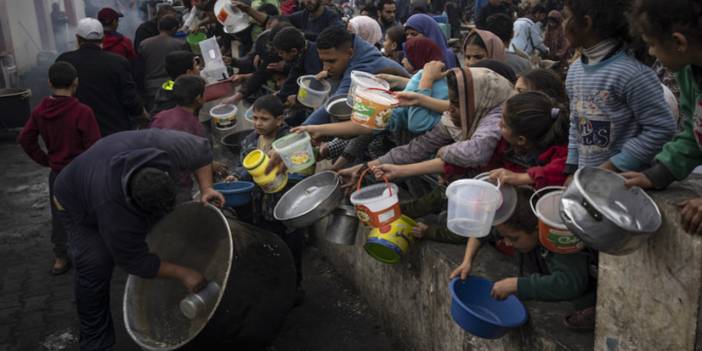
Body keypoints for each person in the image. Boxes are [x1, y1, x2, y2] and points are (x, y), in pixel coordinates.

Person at [52, 129, 224, 350]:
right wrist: (184, 273)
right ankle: (95, 341)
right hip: (73, 197)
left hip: (102, 169)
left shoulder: (165, 146)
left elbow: (201, 153)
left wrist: (206, 188)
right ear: (131, 203)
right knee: (95, 262)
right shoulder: (113, 210)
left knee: (164, 230)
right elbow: (133, 261)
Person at [339, 67, 513, 184]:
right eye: (449, 101)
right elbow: (416, 149)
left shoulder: (498, 116)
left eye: (456, 104)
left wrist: (443, 151)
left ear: (477, 101)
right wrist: (366, 167)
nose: (449, 108)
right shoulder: (465, 114)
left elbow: (475, 152)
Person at [561, 0, 676, 177]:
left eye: (566, 17)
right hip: (589, 179)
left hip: (624, 183)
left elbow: (661, 129)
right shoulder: (575, 70)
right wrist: (572, 167)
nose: (563, 24)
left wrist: (614, 166)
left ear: (586, 23)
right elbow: (576, 122)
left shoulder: (632, 74)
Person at [449, 188, 594, 324]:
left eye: (514, 238)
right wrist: (467, 261)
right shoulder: (513, 227)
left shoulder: (559, 239)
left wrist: (517, 285)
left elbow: (569, 284)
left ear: (537, 229)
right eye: (505, 237)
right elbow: (480, 234)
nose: (507, 242)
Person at [622, 0, 702, 235]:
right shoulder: (689, 74)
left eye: (652, 44)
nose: (650, 52)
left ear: (678, 42)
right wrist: (658, 174)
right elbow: (694, 132)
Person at [17, 62, 101, 275]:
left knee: (60, 216)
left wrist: (46, 160)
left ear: (49, 83)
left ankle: (61, 257)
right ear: (76, 83)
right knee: (88, 212)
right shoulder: (83, 112)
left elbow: (25, 138)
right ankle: (93, 252)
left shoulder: (39, 111)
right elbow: (95, 146)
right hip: (81, 173)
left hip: (58, 173)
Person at [228, 96, 306, 298]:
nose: (258, 123)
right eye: (255, 118)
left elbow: (304, 170)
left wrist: (283, 176)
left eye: (264, 119)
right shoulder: (251, 140)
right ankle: (274, 290)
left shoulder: (290, 140)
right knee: (268, 248)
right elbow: (244, 166)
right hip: (259, 207)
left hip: (287, 207)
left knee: (291, 249)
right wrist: (235, 176)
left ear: (279, 120)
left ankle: (294, 289)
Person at [303, 25, 408, 125]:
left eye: (331, 61)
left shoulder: (362, 68)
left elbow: (335, 102)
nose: (325, 67)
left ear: (349, 53)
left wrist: (302, 132)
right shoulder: (358, 51)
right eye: (323, 61)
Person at [56, 18, 144, 136]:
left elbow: (58, 96)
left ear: (77, 38)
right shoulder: (118, 62)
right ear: (103, 39)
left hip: (77, 132)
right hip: (114, 132)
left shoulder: (64, 61)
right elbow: (130, 99)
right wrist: (141, 113)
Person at [138, 15, 190, 110]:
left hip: (152, 89)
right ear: (174, 29)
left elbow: (140, 69)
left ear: (158, 27)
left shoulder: (144, 44)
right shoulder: (180, 44)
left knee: (156, 119)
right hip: (173, 86)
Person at [235, 0, 342, 41]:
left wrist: (301, 34)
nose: (308, 1)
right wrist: (247, 9)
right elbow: (272, 21)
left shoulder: (332, 17)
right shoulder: (302, 15)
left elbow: (336, 37)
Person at [270, 26, 323, 105]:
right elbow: (293, 77)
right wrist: (279, 96)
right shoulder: (302, 52)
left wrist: (297, 99)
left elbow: (313, 87)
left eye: (281, 53)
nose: (280, 55)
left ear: (293, 51)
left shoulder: (312, 59)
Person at [150, 50, 201, 116]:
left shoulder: (167, 86)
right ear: (189, 73)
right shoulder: (184, 99)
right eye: (196, 65)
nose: (199, 68)